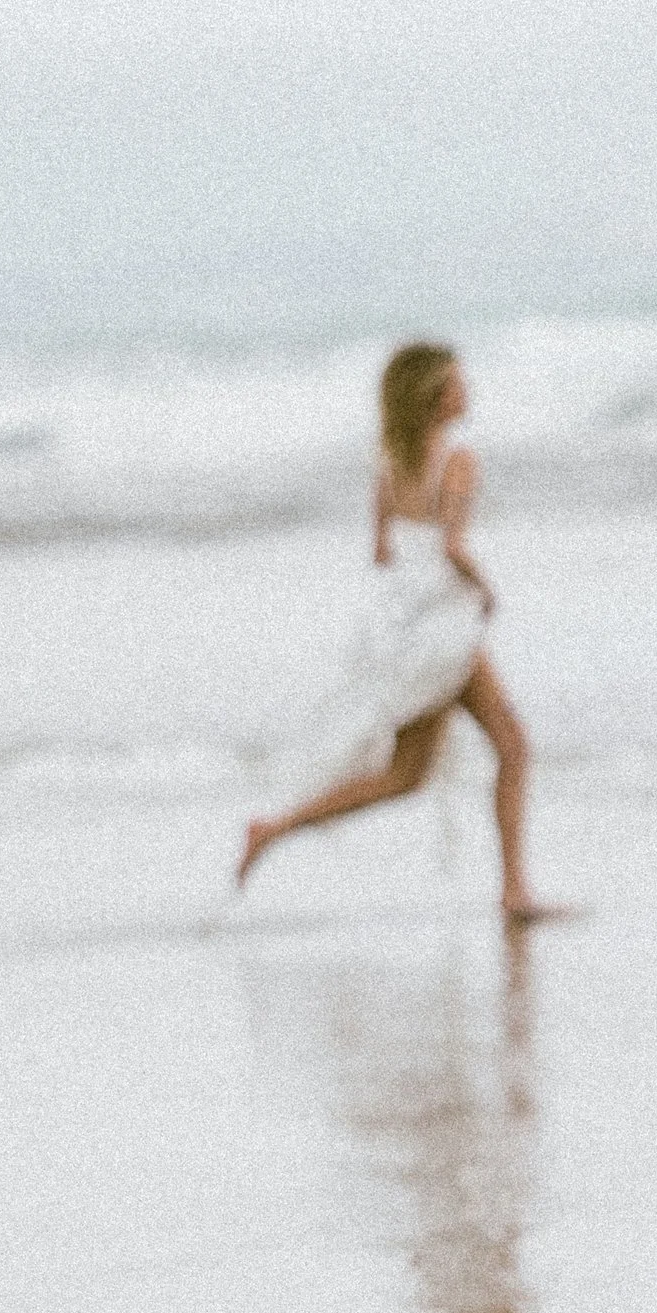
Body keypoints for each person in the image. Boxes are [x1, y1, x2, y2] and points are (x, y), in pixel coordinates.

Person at [238, 343, 560, 920]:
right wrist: (485, 590)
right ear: (434, 397)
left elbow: (383, 554)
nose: (466, 391)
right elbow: (453, 547)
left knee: (405, 776)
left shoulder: (390, 467)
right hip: (447, 635)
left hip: (411, 633)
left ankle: (274, 828)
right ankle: (514, 892)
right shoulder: (457, 461)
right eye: (456, 383)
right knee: (512, 746)